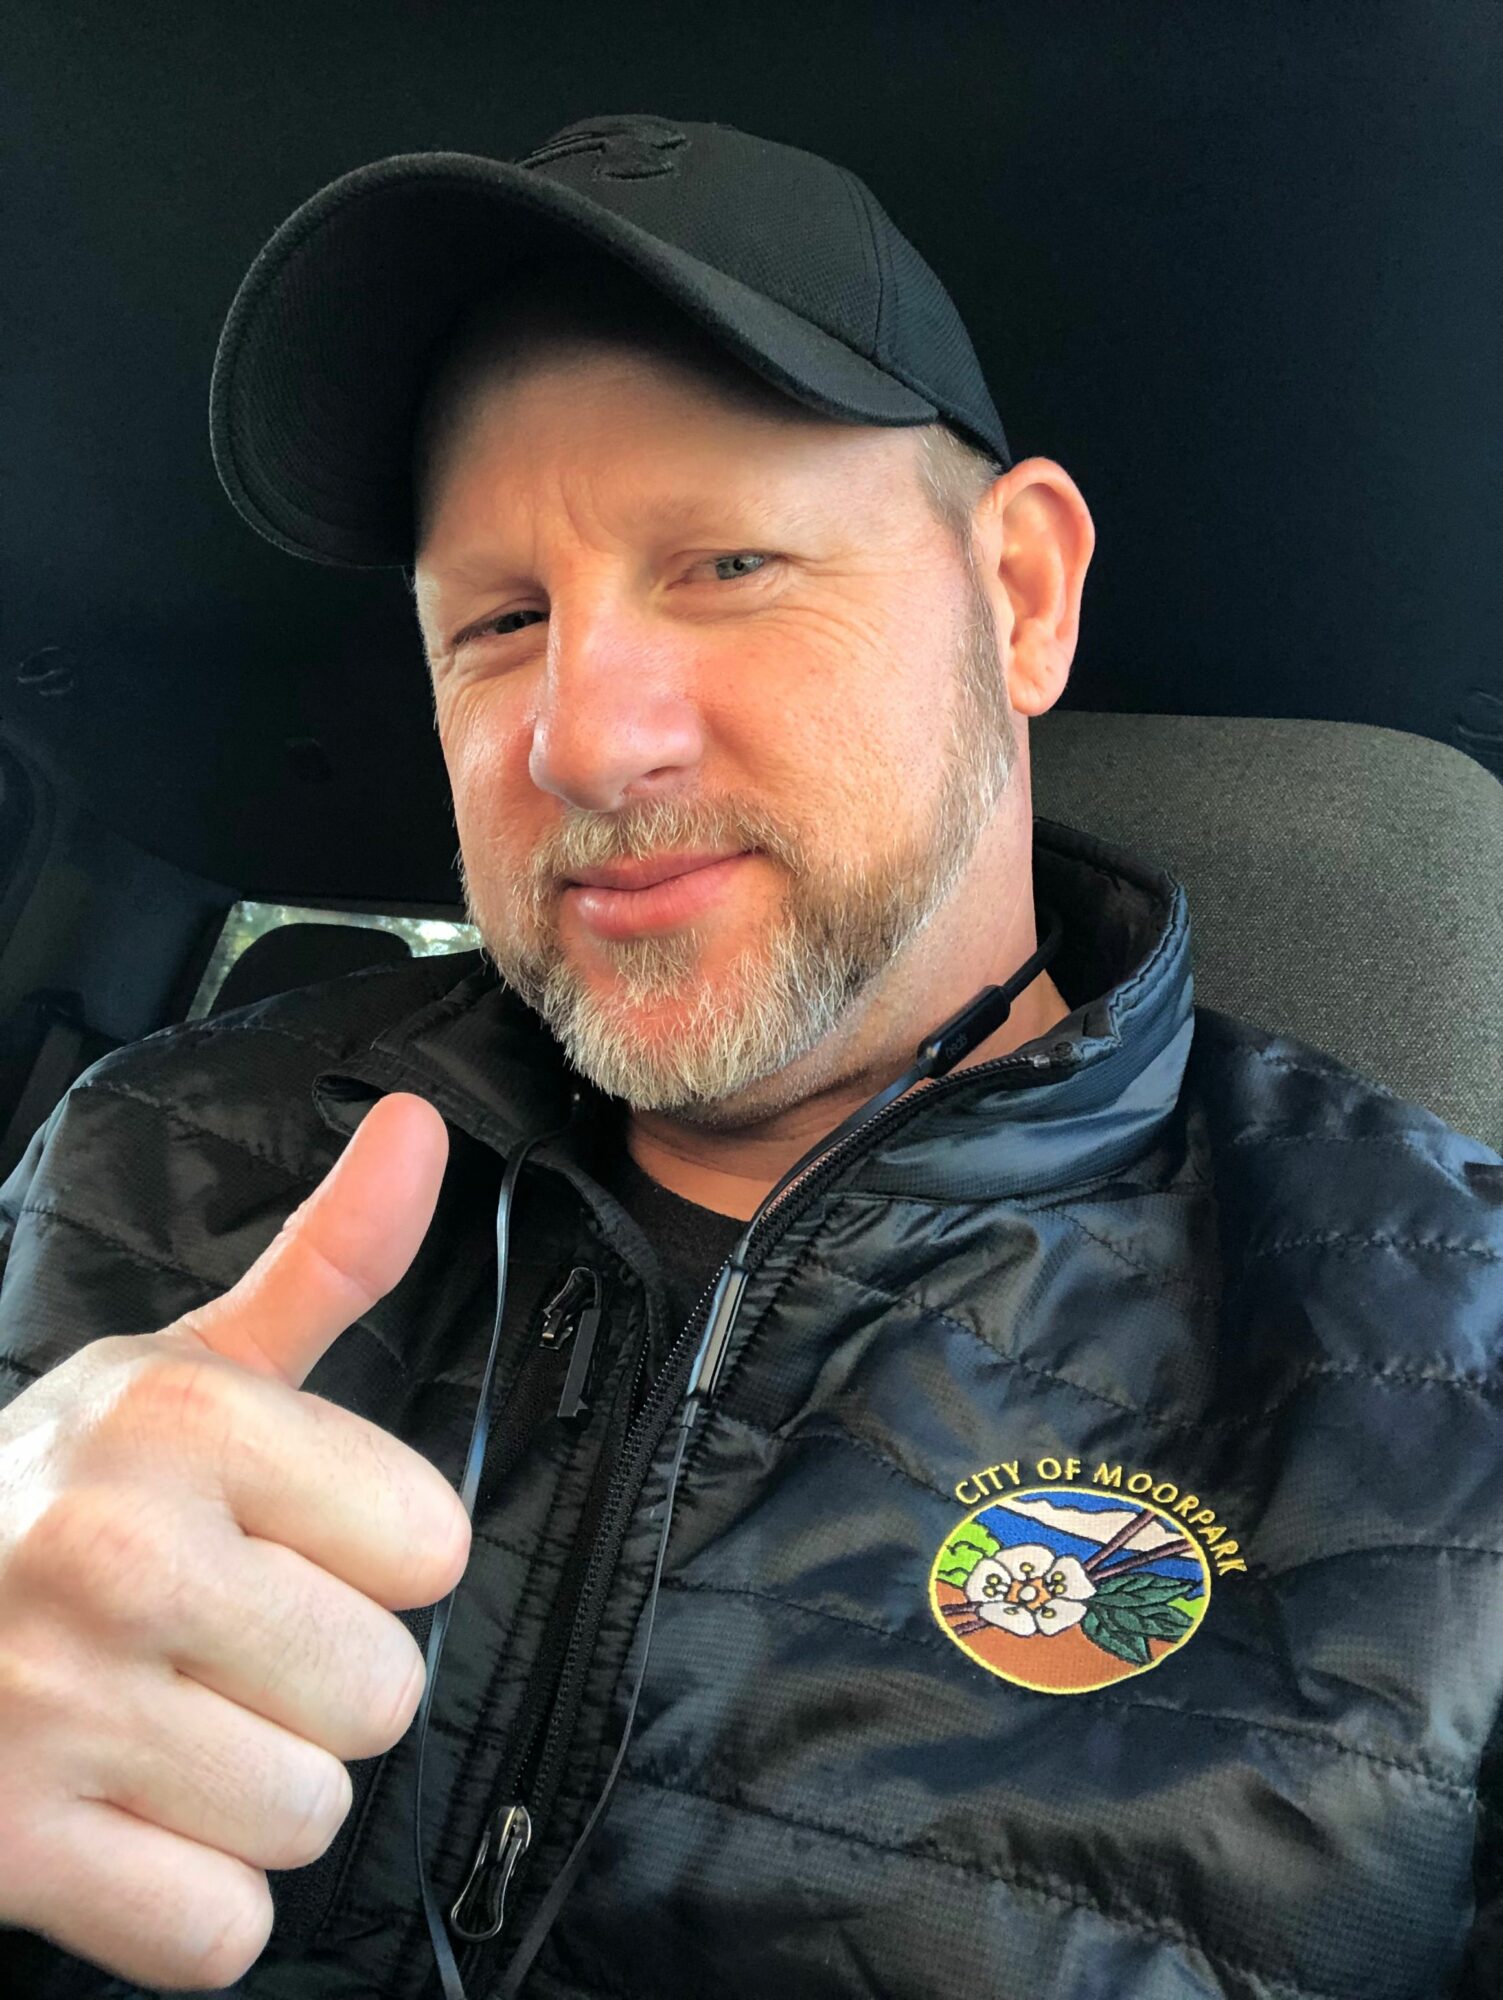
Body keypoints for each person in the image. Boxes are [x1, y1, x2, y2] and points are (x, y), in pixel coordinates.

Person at [1, 110, 1500, 2000]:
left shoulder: (1454, 1367)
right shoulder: (148, 1166)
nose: (581, 740)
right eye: (501, 620)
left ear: (1022, 597)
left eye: (726, 563)